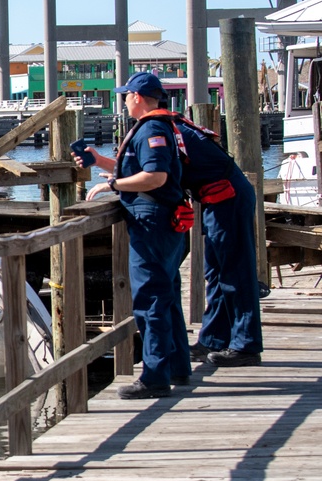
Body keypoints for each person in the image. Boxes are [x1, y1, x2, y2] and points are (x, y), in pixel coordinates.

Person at [77, 72, 192, 399]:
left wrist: (112, 185)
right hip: (162, 219)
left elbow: (154, 177)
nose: (124, 100)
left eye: (126, 95)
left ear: (138, 97)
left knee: (151, 297)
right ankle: (177, 366)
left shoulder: (152, 129)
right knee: (166, 294)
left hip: (151, 220)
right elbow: (142, 170)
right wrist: (102, 162)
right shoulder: (159, 126)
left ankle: (155, 376)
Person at [160, 111, 263, 367]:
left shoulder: (164, 131)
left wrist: (118, 183)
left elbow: (160, 175)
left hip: (227, 199)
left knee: (236, 272)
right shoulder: (173, 127)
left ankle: (246, 345)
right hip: (217, 199)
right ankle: (214, 339)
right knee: (216, 274)